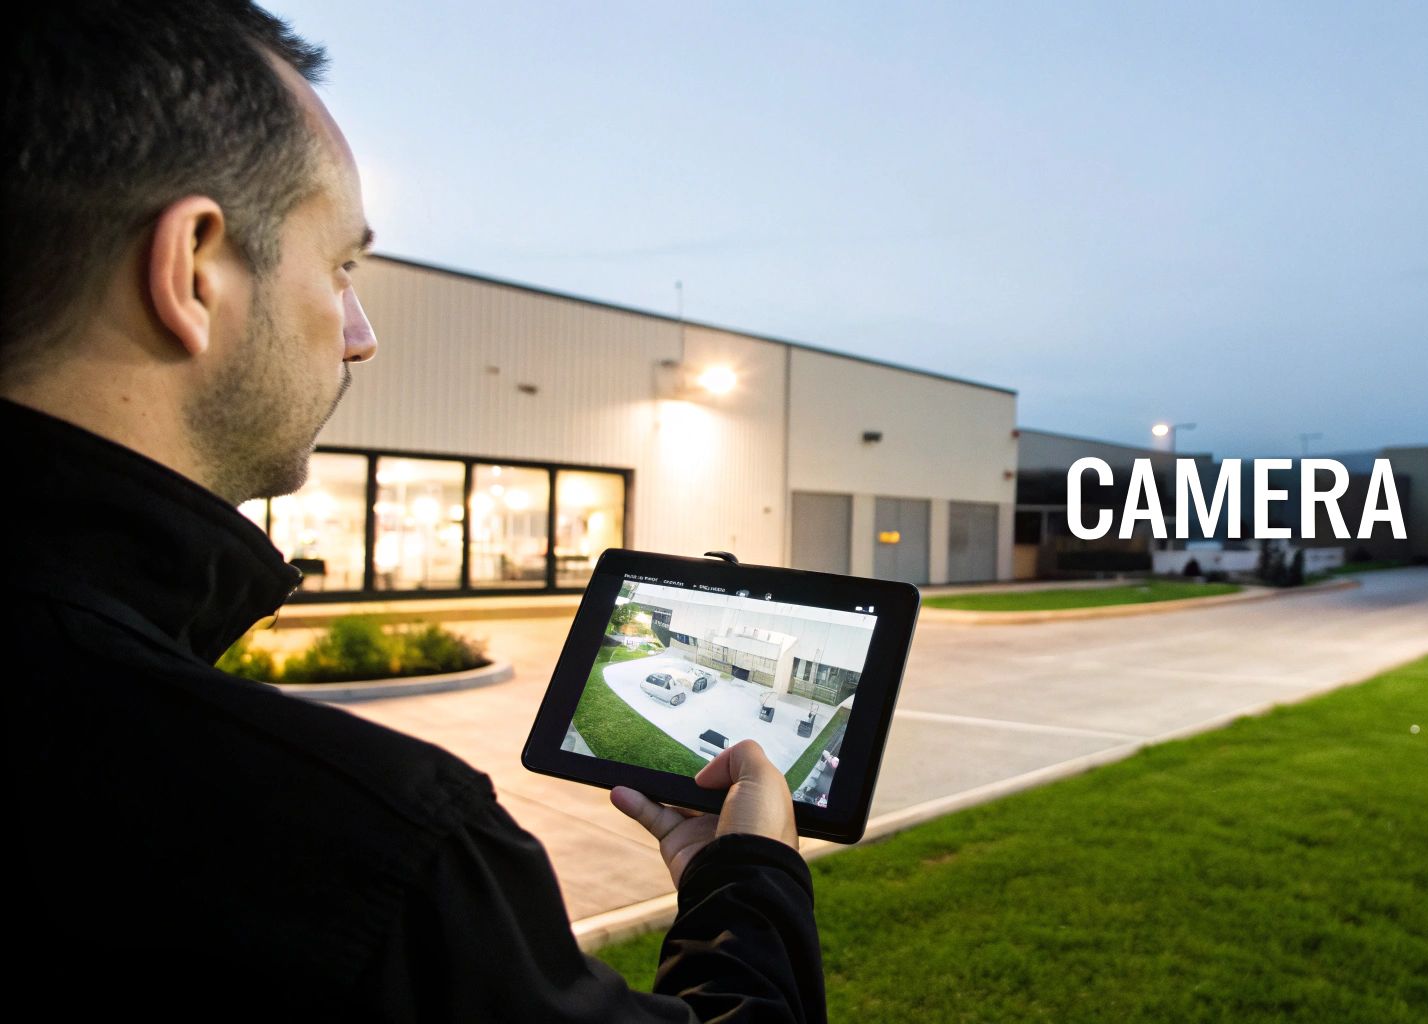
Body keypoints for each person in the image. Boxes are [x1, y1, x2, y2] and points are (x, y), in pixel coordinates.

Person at [2, 3, 826, 1019]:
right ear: (193, 271)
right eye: (339, 267)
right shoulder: (363, 853)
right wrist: (746, 877)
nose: (361, 334)